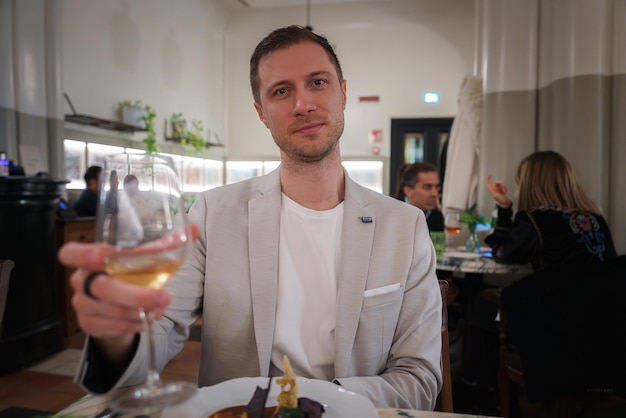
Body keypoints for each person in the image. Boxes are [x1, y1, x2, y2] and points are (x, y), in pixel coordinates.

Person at [58, 25, 442, 410]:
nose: (303, 103)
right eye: (281, 90)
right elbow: (163, 325)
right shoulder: (212, 214)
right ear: (261, 113)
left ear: (343, 92)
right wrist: (119, 335)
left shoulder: (404, 227)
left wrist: (318, 401)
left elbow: (418, 377)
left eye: (318, 82)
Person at [484, 150, 616, 271]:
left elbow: (502, 255)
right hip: (608, 295)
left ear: (532, 187)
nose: (517, 191)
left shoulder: (534, 221)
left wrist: (504, 208)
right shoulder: (595, 216)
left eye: (519, 184)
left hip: (561, 296)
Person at [393, 162, 444, 232]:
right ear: (408, 191)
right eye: (427, 187)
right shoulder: (391, 215)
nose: (435, 194)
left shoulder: (436, 216)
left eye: (437, 187)